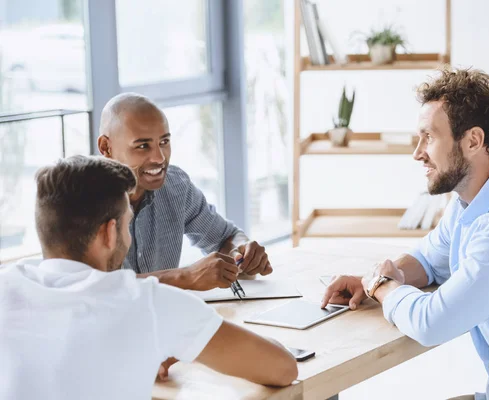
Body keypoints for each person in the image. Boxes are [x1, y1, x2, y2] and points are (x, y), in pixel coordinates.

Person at [321, 68, 489, 399]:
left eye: (430, 137)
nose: (418, 152)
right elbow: (428, 260)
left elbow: (432, 323)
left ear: (473, 141)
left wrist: (383, 287)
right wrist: (375, 279)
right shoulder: (472, 202)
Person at [0, 156, 297, 400]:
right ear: (109, 232)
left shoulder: (7, 287)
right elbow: (283, 368)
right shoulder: (147, 303)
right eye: (128, 224)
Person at [97, 93, 271, 291]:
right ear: (106, 147)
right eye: (143, 146)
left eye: (164, 142)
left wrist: (242, 252)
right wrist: (184, 277)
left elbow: (225, 237)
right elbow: (96, 288)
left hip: (165, 318)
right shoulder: (78, 201)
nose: (159, 158)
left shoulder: (176, 186)